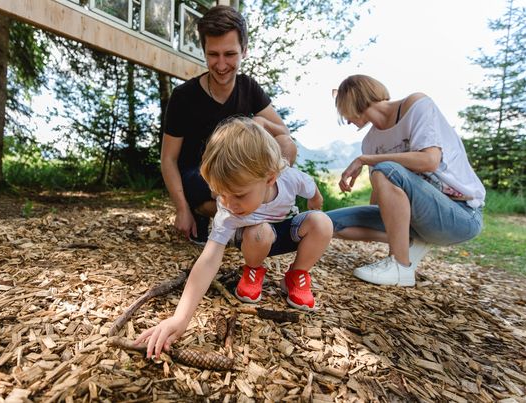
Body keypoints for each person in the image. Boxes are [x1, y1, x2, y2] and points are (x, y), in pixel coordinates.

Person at [136, 118, 332, 358]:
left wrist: (314, 207)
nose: (229, 204)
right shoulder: (229, 213)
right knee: (258, 231)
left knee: (322, 223)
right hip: (255, 239)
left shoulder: (290, 178)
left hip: (283, 232)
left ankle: (296, 274)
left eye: (238, 194)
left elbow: (315, 196)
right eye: (221, 194)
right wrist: (180, 318)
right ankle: (253, 271)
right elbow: (208, 260)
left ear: (270, 178)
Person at [327, 74, 485, 287]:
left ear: (352, 101)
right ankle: (408, 242)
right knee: (328, 223)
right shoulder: (370, 142)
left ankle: (400, 267)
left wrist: (366, 160)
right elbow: (383, 197)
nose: (345, 120)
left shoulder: (416, 105)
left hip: (461, 215)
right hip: (414, 219)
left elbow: (429, 160)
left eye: (343, 110)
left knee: (386, 169)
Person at [161, 5, 296, 245]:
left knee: (286, 144)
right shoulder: (183, 96)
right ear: (203, 51)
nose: (221, 64)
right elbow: (168, 159)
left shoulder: (249, 88)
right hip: (199, 177)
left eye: (230, 54)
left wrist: (262, 122)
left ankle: (265, 210)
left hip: (237, 175)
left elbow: (284, 135)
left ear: (244, 51)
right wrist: (182, 209)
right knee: (217, 190)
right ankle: (215, 215)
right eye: (213, 54)